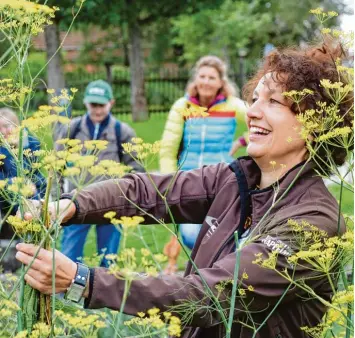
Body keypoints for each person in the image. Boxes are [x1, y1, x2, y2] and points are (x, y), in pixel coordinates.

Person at [16, 40, 352, 337]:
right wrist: (69, 204)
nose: (251, 112)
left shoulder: (312, 222)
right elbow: (147, 193)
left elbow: (209, 296)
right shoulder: (236, 179)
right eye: (254, 98)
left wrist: (82, 281)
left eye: (273, 102)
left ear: (316, 122)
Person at [159, 56, 248, 272]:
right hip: (189, 183)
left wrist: (241, 142)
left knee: (225, 235)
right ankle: (209, 272)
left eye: (212, 77)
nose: (206, 82)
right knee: (191, 237)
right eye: (202, 76)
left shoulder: (232, 105)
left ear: (220, 82)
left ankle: (214, 276)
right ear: (195, 79)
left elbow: (259, 123)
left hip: (223, 183)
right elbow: (168, 149)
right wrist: (171, 182)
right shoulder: (183, 106)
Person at [54, 80, 144, 268]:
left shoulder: (122, 132)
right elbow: (56, 167)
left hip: (110, 203)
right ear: (86, 103)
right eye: (93, 105)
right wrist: (58, 197)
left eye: (101, 105)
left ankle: (102, 295)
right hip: (75, 202)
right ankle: (64, 295)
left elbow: (137, 169)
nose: (97, 110)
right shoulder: (72, 129)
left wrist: (125, 197)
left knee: (108, 257)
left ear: (111, 103)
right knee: (69, 254)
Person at [0, 108, 46, 272]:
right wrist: (16, 184)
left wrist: (40, 195)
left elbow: (39, 177)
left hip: (32, 201)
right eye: (0, 128)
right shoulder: (2, 152)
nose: (4, 131)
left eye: (7, 126)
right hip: (8, 204)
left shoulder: (29, 149)